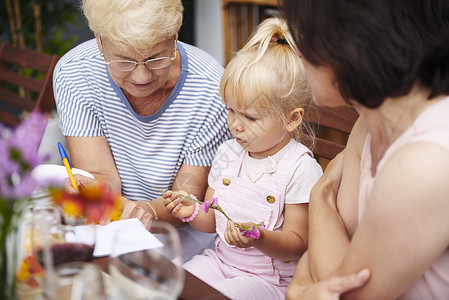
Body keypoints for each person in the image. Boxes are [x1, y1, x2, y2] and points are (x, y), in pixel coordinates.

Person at [280, 0, 449, 299]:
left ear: (347, 42)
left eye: (302, 35)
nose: (297, 51)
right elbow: (324, 256)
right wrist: (323, 197)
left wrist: (321, 195)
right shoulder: (370, 122)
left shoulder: (427, 160)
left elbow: (343, 291)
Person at [53, 0, 231, 260]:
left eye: (155, 58)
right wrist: (94, 191)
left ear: (174, 37)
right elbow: (101, 173)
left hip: (183, 235)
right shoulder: (75, 74)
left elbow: (187, 199)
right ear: (99, 41)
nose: (141, 77)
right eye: (124, 61)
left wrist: (148, 210)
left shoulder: (211, 89)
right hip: (111, 226)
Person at [163, 17, 323, 299]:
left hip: (269, 281)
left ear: (292, 119)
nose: (235, 124)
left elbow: (298, 243)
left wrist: (260, 238)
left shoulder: (301, 168)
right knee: (175, 284)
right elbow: (212, 220)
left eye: (249, 117)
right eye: (231, 111)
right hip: (220, 261)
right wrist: (192, 211)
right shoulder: (228, 153)